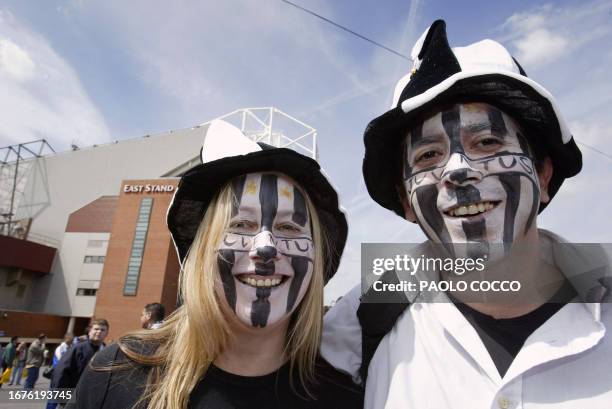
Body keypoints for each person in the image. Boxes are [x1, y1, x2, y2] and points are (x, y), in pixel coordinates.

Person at [321, 20, 612, 408]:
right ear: (407, 202)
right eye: (427, 156)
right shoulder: (357, 323)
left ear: (543, 175)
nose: (458, 170)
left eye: (488, 141)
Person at [70, 120, 363, 408]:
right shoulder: (115, 375)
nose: (266, 247)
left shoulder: (345, 396)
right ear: (202, 249)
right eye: (242, 223)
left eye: (288, 228)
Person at [52, 320, 108, 390]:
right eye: (96, 329)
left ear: (106, 334)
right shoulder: (78, 349)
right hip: (74, 393)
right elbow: (61, 371)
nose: (99, 332)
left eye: (102, 330)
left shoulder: (107, 352)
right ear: (90, 331)